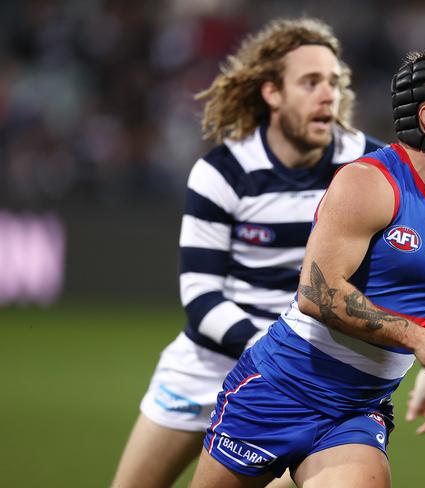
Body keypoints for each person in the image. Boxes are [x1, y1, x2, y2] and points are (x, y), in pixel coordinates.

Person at [190, 50, 425, 488]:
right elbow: (318, 294)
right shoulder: (369, 184)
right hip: (279, 389)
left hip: (357, 410)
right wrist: (420, 340)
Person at [111, 17, 383, 488]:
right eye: (311, 82)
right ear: (271, 92)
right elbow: (200, 297)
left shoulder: (369, 170)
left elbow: (414, 263)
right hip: (212, 359)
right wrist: (270, 352)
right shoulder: (223, 171)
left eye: (335, 83)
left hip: (296, 380)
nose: (328, 95)